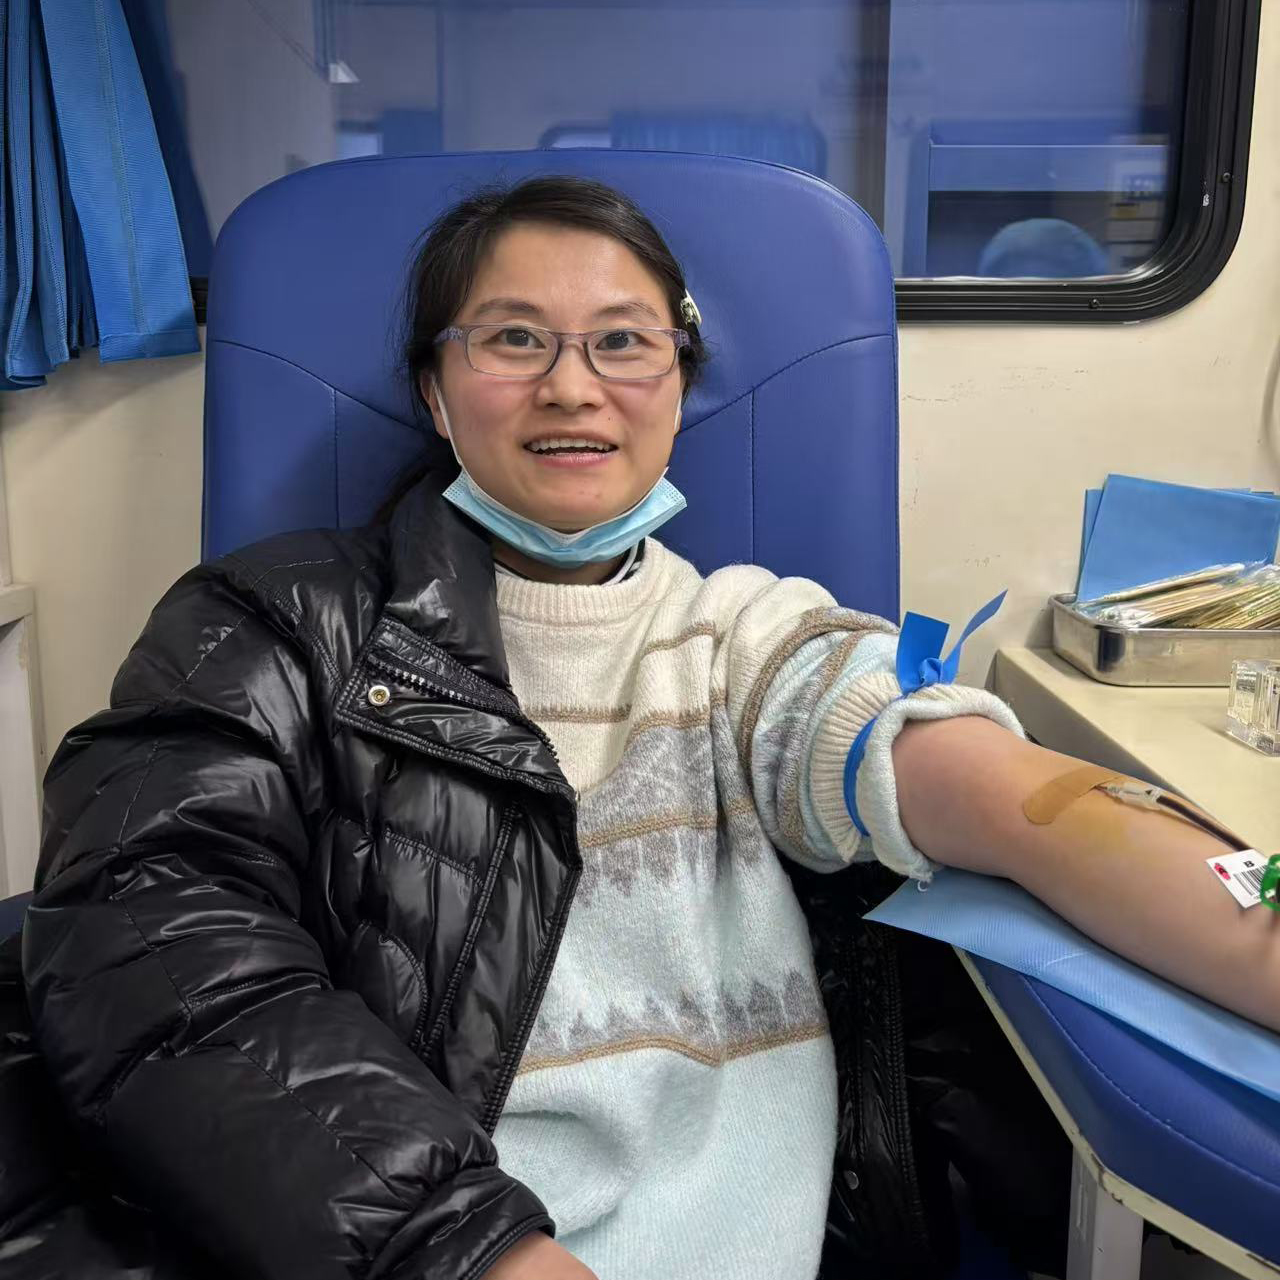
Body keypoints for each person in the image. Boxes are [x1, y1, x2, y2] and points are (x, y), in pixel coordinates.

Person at [4, 176, 1276, 1280]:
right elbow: (160, 937)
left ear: (676, 387)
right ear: (436, 393)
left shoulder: (742, 636)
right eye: (513, 338)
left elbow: (996, 793)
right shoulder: (272, 624)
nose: (572, 386)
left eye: (623, 342)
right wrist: (469, 1246)